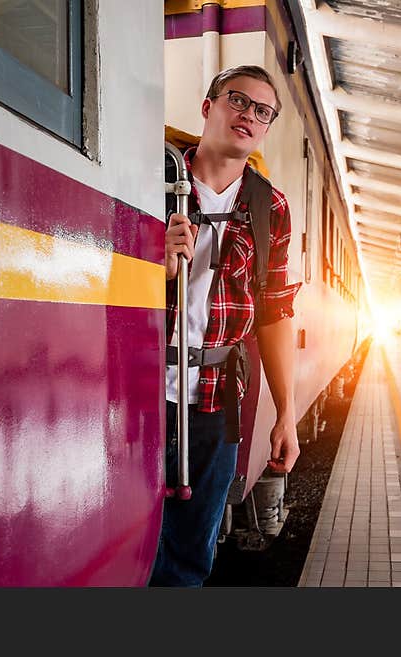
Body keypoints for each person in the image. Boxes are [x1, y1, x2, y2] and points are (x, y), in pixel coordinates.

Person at [150, 65, 302, 587]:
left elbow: (275, 314)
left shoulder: (270, 207)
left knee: (191, 557)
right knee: (134, 544)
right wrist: (156, 269)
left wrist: (287, 414)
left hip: (218, 405)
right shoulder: (152, 181)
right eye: (238, 101)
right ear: (208, 106)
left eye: (263, 111)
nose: (249, 115)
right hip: (140, 394)